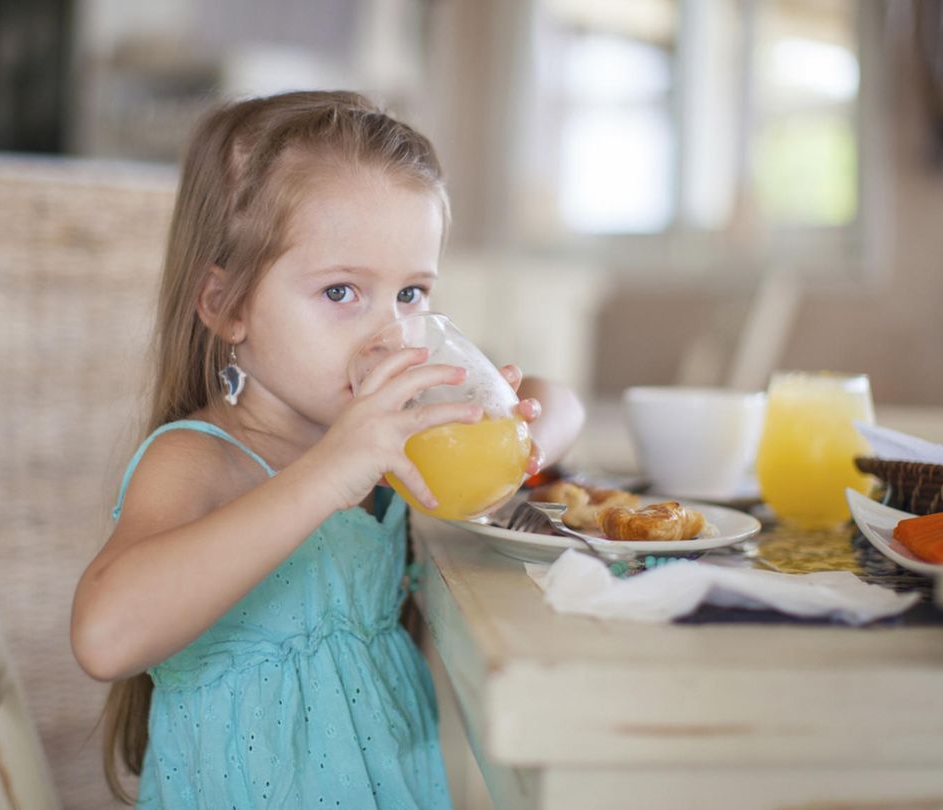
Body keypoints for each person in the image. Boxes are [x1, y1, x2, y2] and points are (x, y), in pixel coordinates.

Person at [70, 90, 584, 808]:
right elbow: (105, 636)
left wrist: (518, 434)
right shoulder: (200, 460)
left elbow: (564, 401)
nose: (390, 335)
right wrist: (327, 476)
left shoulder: (392, 436)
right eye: (342, 291)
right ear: (227, 305)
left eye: (411, 294)